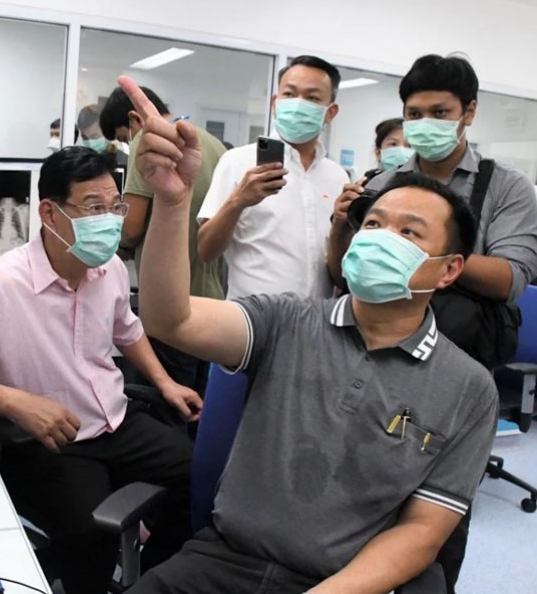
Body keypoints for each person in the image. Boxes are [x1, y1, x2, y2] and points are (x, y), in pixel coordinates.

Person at [117, 77, 498, 594]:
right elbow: (170, 320)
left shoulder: (468, 387)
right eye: (373, 225)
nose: (381, 239)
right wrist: (170, 203)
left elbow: (421, 534)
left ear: (449, 269)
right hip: (224, 560)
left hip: (342, 582)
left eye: (409, 232)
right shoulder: (287, 320)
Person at [0, 147, 202, 594]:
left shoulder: (110, 269)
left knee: (201, 477)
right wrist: (17, 402)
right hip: (54, 440)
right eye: (94, 208)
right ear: (49, 213)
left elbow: (127, 328)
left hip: (115, 419)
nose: (110, 220)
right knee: (90, 535)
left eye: (115, 207)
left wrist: (165, 383)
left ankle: (155, 578)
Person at [327, 53, 537, 593]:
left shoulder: (506, 187)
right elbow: (342, 273)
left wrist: (420, 253)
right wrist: (343, 226)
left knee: (435, 514)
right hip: (373, 356)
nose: (424, 124)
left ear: (468, 112)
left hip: (455, 366)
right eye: (414, 113)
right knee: (356, 487)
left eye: (439, 112)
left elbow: (512, 277)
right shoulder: (384, 181)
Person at [99, 85, 227, 405]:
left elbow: (130, 229)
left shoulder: (150, 143)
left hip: (169, 305)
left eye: (124, 137)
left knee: (166, 407)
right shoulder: (213, 145)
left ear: (134, 119)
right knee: (200, 404)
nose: (128, 144)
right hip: (213, 303)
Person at [197, 55, 350, 302]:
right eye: (289, 94)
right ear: (275, 103)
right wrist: (238, 201)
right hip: (251, 317)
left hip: (317, 317)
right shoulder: (238, 162)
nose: (298, 104)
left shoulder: (337, 177)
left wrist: (342, 228)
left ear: (330, 112)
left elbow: (338, 275)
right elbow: (206, 250)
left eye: (312, 98)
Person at [361, 117, 414, 182]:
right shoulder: (369, 183)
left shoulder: (423, 185)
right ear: (378, 153)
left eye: (409, 146)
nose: (401, 151)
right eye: (393, 144)